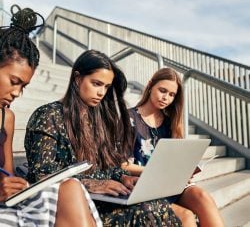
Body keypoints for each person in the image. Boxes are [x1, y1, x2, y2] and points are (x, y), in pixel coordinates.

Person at [24, 49, 184, 226]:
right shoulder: (49, 115)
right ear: (77, 79)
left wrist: (123, 177)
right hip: (67, 206)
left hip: (101, 200)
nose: (102, 93)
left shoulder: (98, 120)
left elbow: (108, 165)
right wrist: (92, 184)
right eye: (96, 84)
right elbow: (41, 174)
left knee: (158, 206)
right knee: (148, 212)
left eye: (106, 87)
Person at [0, 4, 101, 227]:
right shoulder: (48, 116)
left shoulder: (5, 118)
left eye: (23, 87)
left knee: (71, 187)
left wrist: (13, 186)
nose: (17, 93)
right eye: (14, 82)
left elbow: (6, 177)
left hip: (6, 205)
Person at [123, 67, 224, 227]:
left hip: (170, 184)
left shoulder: (171, 122)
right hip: (144, 185)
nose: (166, 98)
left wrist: (183, 171)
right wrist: (156, 172)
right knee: (186, 216)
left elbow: (175, 160)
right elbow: (122, 164)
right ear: (150, 86)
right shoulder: (128, 118)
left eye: (172, 95)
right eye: (162, 90)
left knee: (203, 197)